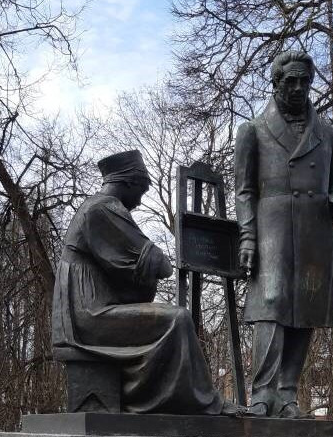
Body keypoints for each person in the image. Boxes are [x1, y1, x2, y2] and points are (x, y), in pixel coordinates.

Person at [53, 150, 237, 415]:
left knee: (173, 318)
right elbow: (161, 267)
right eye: (142, 189)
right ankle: (198, 403)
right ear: (129, 182)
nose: (139, 201)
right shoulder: (103, 209)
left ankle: (176, 400)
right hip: (89, 315)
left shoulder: (96, 207)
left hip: (90, 309)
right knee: (178, 319)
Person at [235, 50, 333, 418]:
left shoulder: (329, 135)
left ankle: (288, 393)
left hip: (314, 230)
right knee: (269, 306)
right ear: (276, 83)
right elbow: (245, 191)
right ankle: (262, 393)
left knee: (307, 307)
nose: (299, 87)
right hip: (272, 225)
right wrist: (248, 238)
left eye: (305, 80)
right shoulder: (253, 131)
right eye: (291, 81)